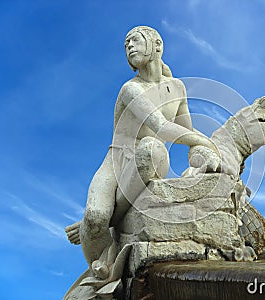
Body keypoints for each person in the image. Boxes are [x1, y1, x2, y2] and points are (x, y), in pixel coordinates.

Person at [65, 26, 220, 279]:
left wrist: (202, 148)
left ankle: (98, 229)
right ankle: (100, 262)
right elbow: (161, 125)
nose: (129, 46)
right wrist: (208, 143)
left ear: (156, 45)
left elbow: (186, 131)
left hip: (150, 157)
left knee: (151, 149)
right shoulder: (130, 89)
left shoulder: (177, 88)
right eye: (125, 44)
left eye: (134, 40)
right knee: (94, 217)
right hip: (116, 160)